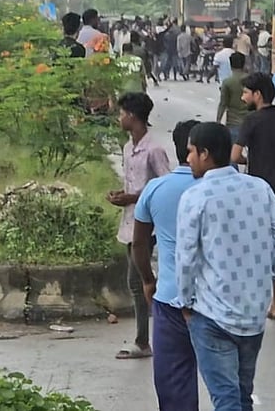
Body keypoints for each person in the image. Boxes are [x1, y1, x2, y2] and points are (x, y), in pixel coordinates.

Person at [176, 122, 275, 411]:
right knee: (242, 397)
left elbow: (186, 257)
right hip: (252, 314)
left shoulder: (195, 196)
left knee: (226, 400)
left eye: (191, 152)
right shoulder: (259, 187)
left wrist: (184, 301)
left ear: (205, 154)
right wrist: (268, 271)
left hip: (212, 314)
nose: (188, 158)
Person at [132, 120, 201, 410]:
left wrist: (148, 280)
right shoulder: (222, 187)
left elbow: (139, 243)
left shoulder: (156, 189)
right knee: (228, 385)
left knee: (173, 382)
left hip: (170, 298)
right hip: (216, 301)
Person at [232, 71, 275, 320]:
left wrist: (250, 161)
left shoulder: (251, 121)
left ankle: (252, 299)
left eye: (246, 92)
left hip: (254, 192)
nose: (243, 97)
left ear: (258, 95)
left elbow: (234, 155)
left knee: (252, 243)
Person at [110, 92, 171, 360]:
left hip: (146, 225)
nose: (119, 117)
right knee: (136, 281)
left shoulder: (154, 149)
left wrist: (134, 197)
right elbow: (131, 183)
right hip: (129, 220)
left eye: (122, 113)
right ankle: (144, 337)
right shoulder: (128, 147)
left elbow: (164, 184)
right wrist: (120, 196)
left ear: (132, 116)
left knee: (142, 280)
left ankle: (148, 338)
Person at [216, 52, 249, 139]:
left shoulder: (227, 82)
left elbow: (223, 103)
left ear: (230, 65)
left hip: (234, 122)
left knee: (234, 150)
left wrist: (218, 121)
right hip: (251, 120)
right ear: (244, 64)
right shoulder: (252, 79)